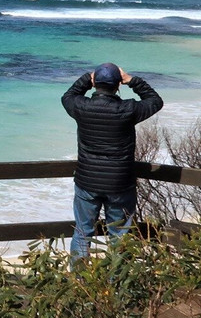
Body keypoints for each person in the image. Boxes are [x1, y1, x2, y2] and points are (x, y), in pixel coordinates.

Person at [61, 62, 163, 262]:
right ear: (118, 85)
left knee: (82, 232)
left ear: (95, 83)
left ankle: (80, 278)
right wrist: (132, 80)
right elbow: (155, 101)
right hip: (119, 183)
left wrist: (86, 79)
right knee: (119, 236)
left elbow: (68, 96)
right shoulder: (128, 109)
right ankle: (116, 279)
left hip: (87, 181)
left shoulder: (82, 107)